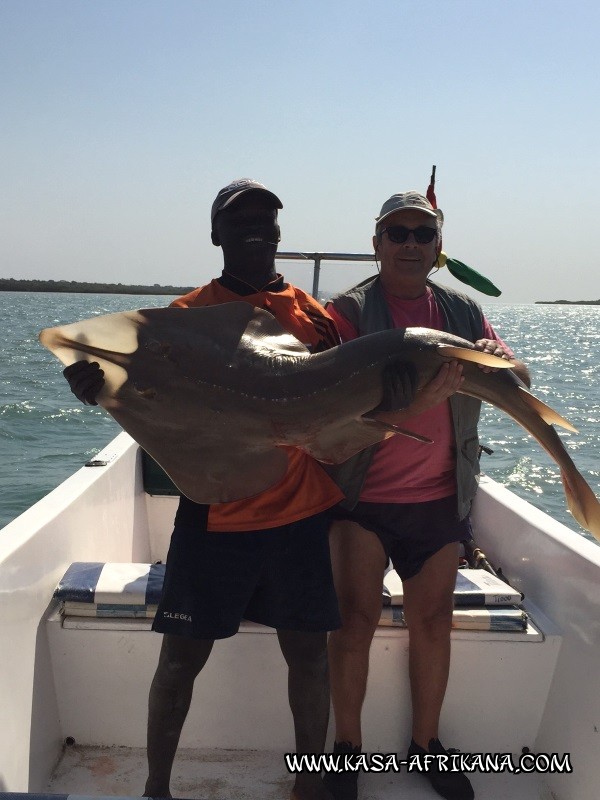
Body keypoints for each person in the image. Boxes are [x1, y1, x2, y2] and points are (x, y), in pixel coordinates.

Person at [64, 179, 413, 800]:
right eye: (242, 219)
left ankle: (310, 786)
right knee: (179, 661)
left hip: (301, 514)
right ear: (216, 233)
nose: (259, 229)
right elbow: (141, 389)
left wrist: (393, 401)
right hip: (214, 511)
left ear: (280, 234)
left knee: (308, 658)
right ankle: (156, 789)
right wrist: (98, 384)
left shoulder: (316, 317)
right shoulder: (182, 317)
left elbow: (341, 413)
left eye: (268, 221)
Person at [323, 190, 531, 800]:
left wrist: (500, 360)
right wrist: (417, 399)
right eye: (398, 233)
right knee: (355, 622)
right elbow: (335, 407)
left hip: (440, 497)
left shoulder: (464, 313)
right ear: (377, 243)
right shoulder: (348, 312)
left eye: (423, 234)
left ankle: (425, 744)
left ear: (439, 247)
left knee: (434, 623)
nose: (410, 244)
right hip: (363, 498)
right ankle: (346, 753)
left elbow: (518, 379)